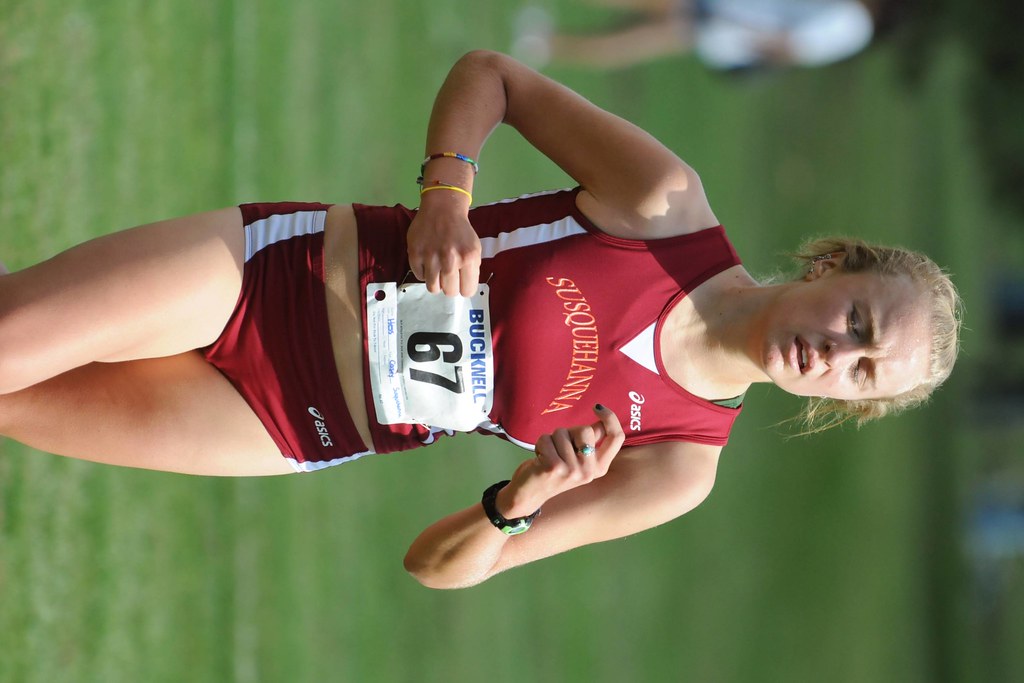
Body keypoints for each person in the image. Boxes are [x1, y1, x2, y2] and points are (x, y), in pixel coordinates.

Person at [0, 50, 960, 589]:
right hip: (275, 275)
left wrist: (522, 498)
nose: (837, 350)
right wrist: (447, 200)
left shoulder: (679, 465)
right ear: (835, 267)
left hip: (292, 425)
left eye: (862, 370)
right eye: (859, 319)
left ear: (845, 401)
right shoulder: (667, 207)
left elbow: (439, 567)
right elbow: (492, 79)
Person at [513, 0, 877, 71]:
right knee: (640, 35)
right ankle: (545, 43)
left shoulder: (850, 23)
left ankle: (545, 44)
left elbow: (791, 46)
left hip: (724, 20)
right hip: (726, 19)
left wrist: (731, 25)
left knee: (637, 36)